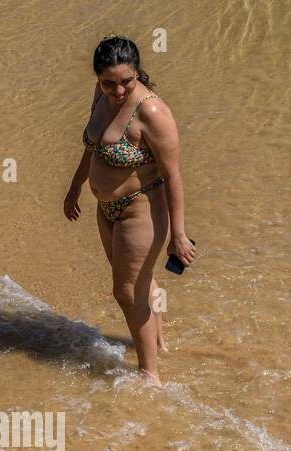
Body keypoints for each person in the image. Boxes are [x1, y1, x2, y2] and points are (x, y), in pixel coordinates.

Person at [63, 35, 195, 385]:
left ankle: (149, 376)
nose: (118, 91)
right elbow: (92, 148)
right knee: (140, 283)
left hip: (142, 209)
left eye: (126, 81)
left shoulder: (151, 111)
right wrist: (76, 186)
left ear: (138, 73)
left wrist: (178, 234)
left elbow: (173, 175)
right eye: (109, 82)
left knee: (125, 291)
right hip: (106, 210)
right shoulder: (100, 95)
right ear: (98, 78)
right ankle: (159, 344)